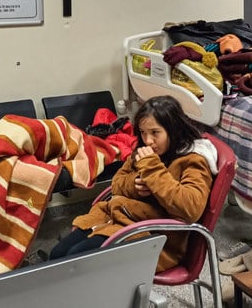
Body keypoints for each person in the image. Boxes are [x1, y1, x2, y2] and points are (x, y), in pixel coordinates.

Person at [49, 95, 217, 272]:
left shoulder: (193, 159)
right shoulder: (145, 152)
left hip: (155, 235)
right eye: (143, 133)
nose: (148, 140)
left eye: (155, 133)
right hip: (121, 217)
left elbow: (191, 208)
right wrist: (135, 186)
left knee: (76, 261)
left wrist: (153, 170)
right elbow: (117, 183)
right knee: (58, 255)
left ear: (173, 129)